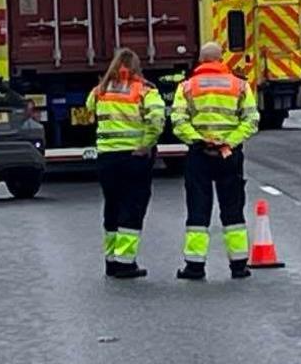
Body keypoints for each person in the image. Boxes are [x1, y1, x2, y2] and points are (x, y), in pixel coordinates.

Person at [170, 41, 259, 280]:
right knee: (233, 210)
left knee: (198, 211)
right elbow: (251, 120)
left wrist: (198, 140)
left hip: (199, 155)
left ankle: (195, 266)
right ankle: (239, 265)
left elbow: (178, 121)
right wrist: (228, 142)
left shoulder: (187, 87)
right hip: (229, 155)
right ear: (221, 60)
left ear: (200, 61)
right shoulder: (239, 86)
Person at [85, 48, 166, 279]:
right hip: (134, 157)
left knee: (112, 206)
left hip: (107, 158)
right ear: (136, 67)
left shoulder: (101, 90)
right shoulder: (145, 91)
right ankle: (125, 262)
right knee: (133, 207)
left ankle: (111, 261)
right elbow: (157, 119)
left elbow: (89, 106)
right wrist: (147, 144)